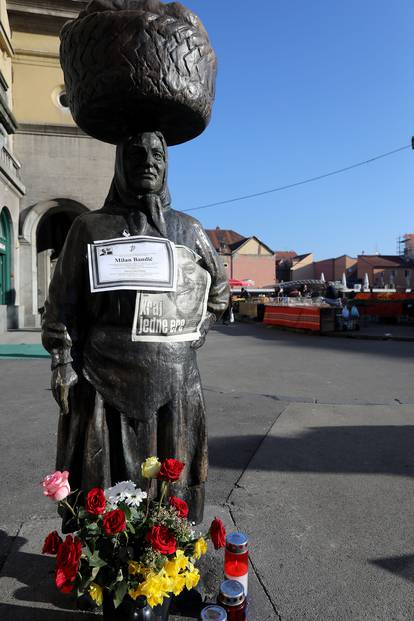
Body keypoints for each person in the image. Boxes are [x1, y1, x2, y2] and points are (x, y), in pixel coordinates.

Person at [41, 131, 229, 524]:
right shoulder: (89, 228)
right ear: (120, 165)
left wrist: (197, 328)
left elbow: (220, 291)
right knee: (105, 483)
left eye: (157, 154)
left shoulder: (188, 229)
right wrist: (61, 360)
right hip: (102, 374)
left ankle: (169, 563)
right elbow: (61, 304)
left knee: (170, 484)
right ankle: (107, 568)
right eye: (136, 154)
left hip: (174, 376)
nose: (148, 161)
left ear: (166, 165)